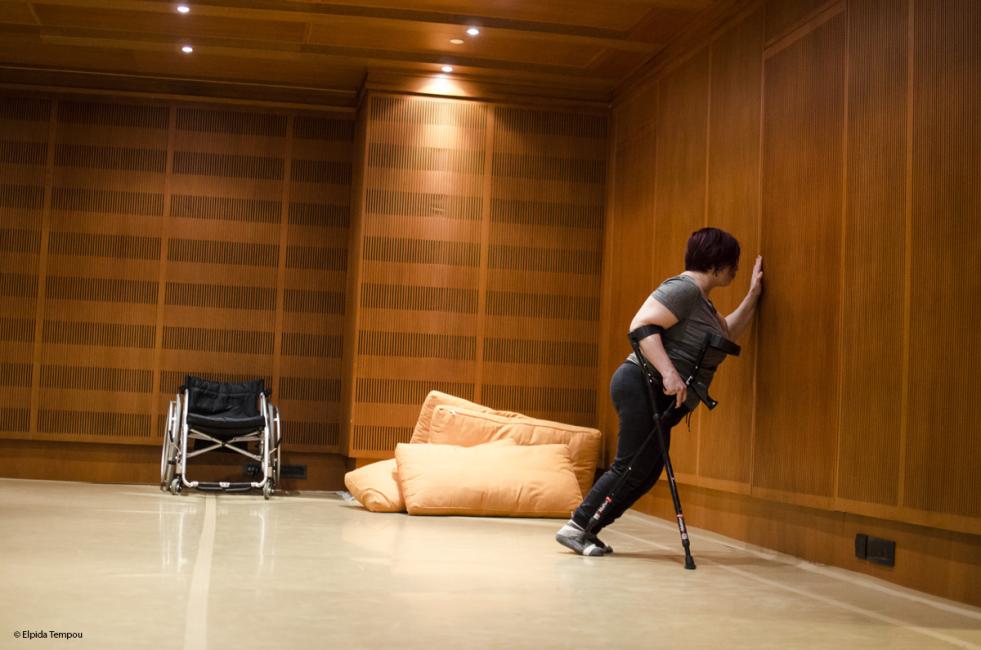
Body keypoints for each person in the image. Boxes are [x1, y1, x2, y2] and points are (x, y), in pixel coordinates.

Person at [556, 227, 763, 556]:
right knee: (630, 465)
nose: (736, 268)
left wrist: (753, 295)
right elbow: (641, 325)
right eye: (732, 262)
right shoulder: (684, 289)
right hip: (642, 383)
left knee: (647, 471)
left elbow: (727, 334)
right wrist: (669, 373)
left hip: (654, 390)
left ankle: (587, 528)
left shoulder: (703, 302)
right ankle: (577, 526)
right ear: (715, 263)